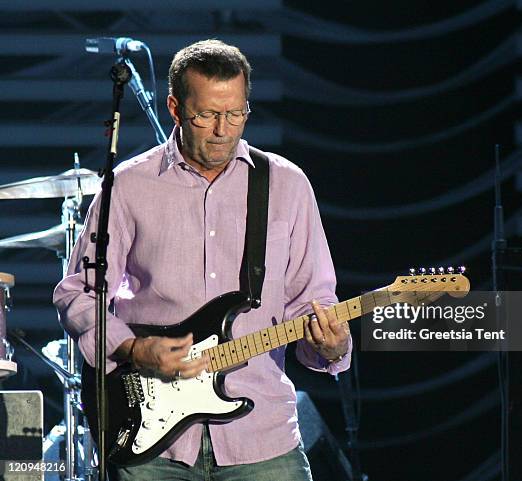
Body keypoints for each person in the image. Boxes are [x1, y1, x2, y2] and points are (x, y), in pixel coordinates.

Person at [53, 39, 351, 481]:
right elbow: (77, 293)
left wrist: (331, 345)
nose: (222, 130)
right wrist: (133, 348)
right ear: (174, 108)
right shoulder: (129, 186)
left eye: (235, 114)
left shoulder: (287, 185)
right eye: (207, 115)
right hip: (153, 443)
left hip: (262, 437)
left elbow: (312, 305)